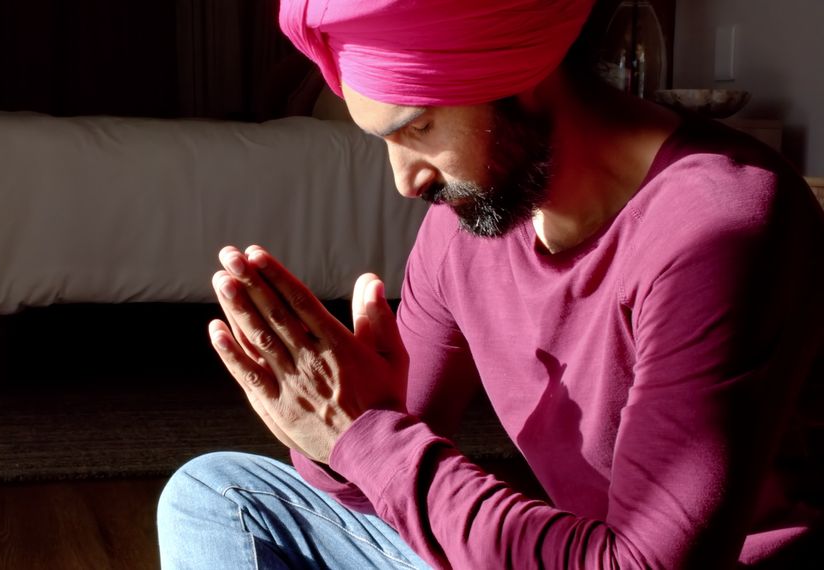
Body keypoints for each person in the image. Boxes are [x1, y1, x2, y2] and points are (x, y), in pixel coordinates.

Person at [157, 0, 824, 567]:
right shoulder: (470, 225)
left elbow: (642, 562)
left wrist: (362, 433)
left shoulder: (720, 224)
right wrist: (327, 423)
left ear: (522, 78)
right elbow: (373, 485)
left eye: (418, 128)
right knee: (217, 494)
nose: (404, 179)